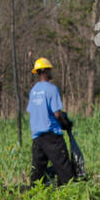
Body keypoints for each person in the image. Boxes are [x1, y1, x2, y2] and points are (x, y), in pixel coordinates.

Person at [27, 57, 74, 186]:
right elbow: (57, 113)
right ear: (46, 72)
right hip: (51, 135)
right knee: (64, 167)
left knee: (38, 170)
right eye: (50, 70)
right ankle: (70, 192)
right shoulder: (52, 89)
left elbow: (32, 111)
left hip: (37, 135)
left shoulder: (33, 91)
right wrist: (65, 123)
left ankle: (34, 194)